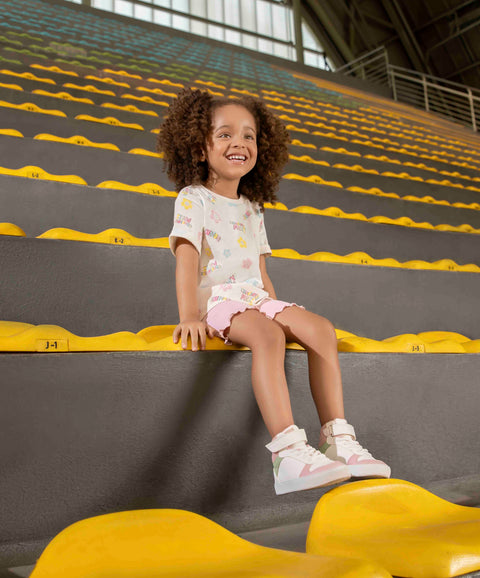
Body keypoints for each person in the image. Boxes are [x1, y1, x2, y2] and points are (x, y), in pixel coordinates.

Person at [158, 88, 390, 496]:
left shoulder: (253, 207)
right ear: (199, 147)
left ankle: (337, 438)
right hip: (217, 301)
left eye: (249, 136)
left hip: (254, 298)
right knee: (267, 336)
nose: (240, 143)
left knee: (320, 329)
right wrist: (189, 317)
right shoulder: (192, 199)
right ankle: (287, 453)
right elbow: (187, 260)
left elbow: (260, 269)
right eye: (226, 134)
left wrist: (277, 308)